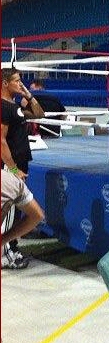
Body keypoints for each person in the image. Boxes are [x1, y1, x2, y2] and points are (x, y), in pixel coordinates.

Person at [1, 68, 45, 269]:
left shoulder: (15, 106)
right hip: (10, 167)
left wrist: (28, 94)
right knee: (8, 211)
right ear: (5, 83)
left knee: (15, 213)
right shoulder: (3, 107)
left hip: (19, 163)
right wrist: (13, 170)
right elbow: (1, 141)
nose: (20, 84)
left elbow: (39, 114)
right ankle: (5, 255)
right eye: (17, 81)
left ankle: (11, 248)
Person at [2, 169, 45, 269]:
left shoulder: (11, 181)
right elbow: (37, 215)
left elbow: (37, 215)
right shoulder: (11, 181)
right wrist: (14, 169)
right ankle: (6, 256)